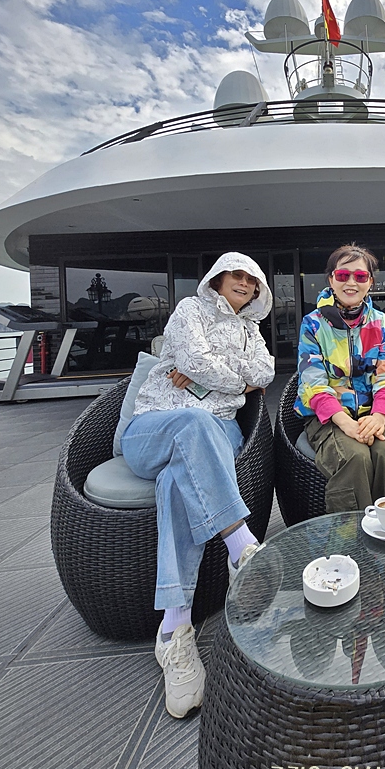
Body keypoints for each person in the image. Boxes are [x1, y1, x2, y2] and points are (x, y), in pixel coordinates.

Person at [120, 252, 275, 718]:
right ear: (218, 279)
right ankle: (240, 544)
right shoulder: (189, 310)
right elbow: (193, 358)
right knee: (193, 421)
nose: (244, 284)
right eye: (236, 275)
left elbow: (266, 372)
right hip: (156, 426)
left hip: (216, 434)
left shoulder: (252, 331)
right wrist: (237, 381)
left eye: (252, 279)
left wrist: (215, 375)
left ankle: (174, 630)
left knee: (178, 479)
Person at [294, 244, 385, 512]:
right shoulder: (313, 324)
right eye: (342, 275)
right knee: (354, 457)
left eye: (360, 276)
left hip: (373, 413)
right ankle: (352, 532)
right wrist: (345, 423)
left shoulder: (379, 322)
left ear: (370, 282)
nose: (351, 282)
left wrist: (379, 416)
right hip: (329, 417)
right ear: (331, 279)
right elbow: (312, 383)